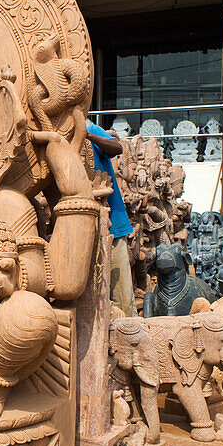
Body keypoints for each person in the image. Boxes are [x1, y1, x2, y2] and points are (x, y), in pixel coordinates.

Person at [87, 121, 135, 316]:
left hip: (113, 226)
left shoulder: (89, 129)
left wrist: (87, 135)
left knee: (121, 295)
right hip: (82, 226)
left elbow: (116, 147)